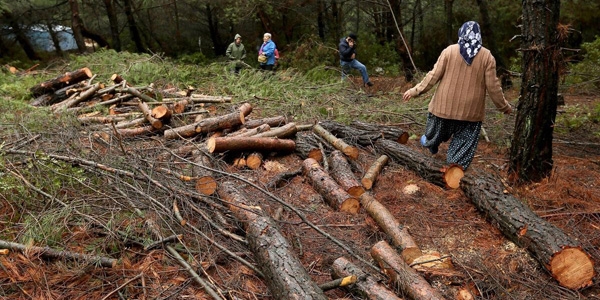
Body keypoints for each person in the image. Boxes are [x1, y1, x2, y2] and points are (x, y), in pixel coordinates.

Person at [402, 21, 513, 170]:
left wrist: (414, 91)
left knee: (433, 135)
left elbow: (432, 77)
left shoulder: (449, 51)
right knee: (461, 148)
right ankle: (454, 169)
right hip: (470, 114)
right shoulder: (487, 56)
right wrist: (503, 107)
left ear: (461, 33)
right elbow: (494, 87)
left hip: (443, 107)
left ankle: (430, 143)